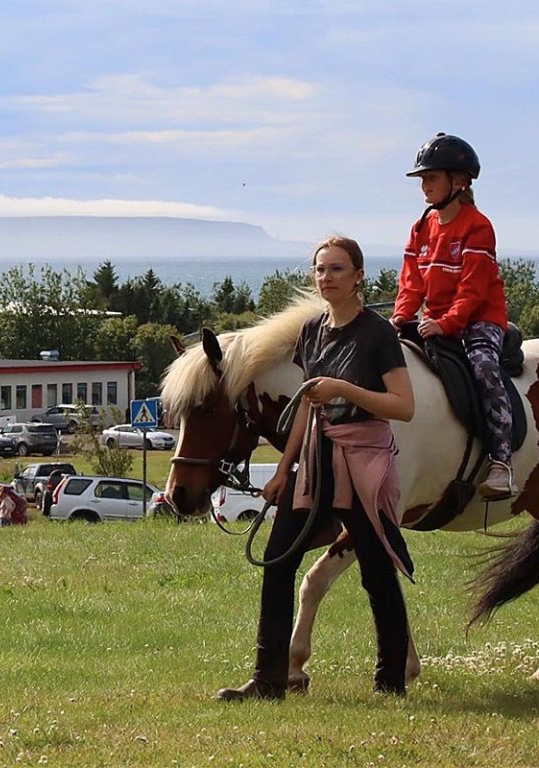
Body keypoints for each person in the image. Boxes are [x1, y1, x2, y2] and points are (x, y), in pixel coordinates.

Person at [216, 235, 416, 702]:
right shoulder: (312, 330)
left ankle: (390, 683)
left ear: (359, 276)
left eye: (337, 269)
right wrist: (284, 469)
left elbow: (403, 406)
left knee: (375, 570)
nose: (326, 277)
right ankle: (268, 680)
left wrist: (345, 389)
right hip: (314, 460)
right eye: (320, 269)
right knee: (278, 560)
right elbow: (308, 404)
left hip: (363, 459)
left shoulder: (378, 333)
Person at [390, 132, 515, 498]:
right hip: (436, 319)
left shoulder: (478, 227)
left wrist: (445, 323)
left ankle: (502, 464)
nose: (424, 186)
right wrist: (400, 318)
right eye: (423, 179)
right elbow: (411, 283)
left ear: (458, 182)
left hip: (480, 320)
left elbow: (473, 291)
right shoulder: (421, 227)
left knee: (483, 368)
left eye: (431, 178)